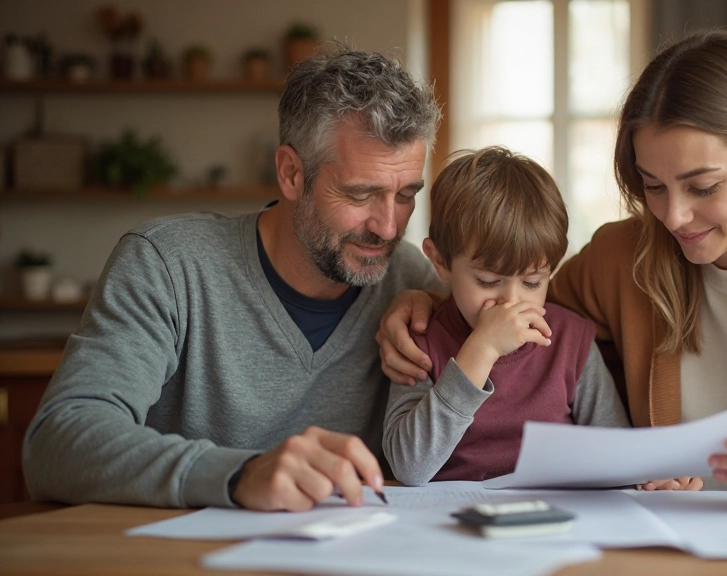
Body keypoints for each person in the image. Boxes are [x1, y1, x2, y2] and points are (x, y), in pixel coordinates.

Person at [377, 29, 727, 511]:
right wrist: (424, 299)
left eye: (703, 186)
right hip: (654, 539)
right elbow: (514, 292)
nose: (673, 216)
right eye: (652, 186)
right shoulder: (621, 259)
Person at [23, 43, 444, 511]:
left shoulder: (412, 279)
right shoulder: (168, 265)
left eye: (406, 194)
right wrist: (237, 475)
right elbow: (55, 444)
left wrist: (439, 307)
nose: (388, 226)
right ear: (290, 173)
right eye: (361, 193)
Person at [382, 147, 702, 491]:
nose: (511, 302)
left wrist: (650, 480)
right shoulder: (419, 341)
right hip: (451, 526)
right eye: (488, 281)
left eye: (533, 283)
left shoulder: (572, 341)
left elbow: (614, 455)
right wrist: (480, 351)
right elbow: (409, 467)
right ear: (440, 261)